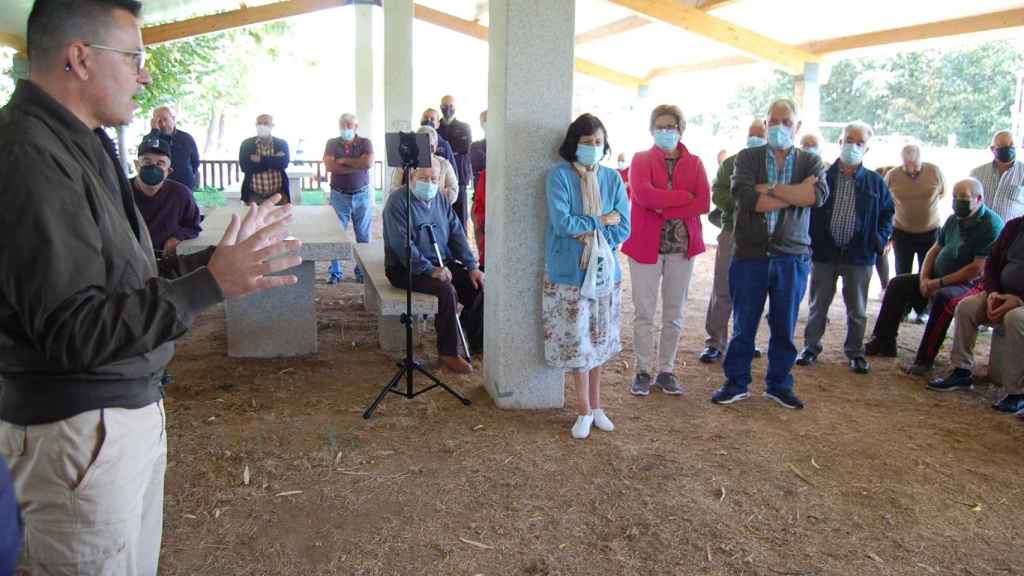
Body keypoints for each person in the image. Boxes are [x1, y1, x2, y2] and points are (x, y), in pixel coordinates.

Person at [0, 1, 302, 573]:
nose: (145, 74)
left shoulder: (82, 142)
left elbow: (120, 280)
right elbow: (72, 329)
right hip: (77, 434)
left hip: (114, 419)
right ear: (80, 59)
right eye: (135, 56)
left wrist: (217, 265)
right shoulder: (29, 155)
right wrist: (206, 286)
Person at [713, 99, 828, 410]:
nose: (779, 127)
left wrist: (771, 188)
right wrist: (793, 193)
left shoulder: (810, 162)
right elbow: (750, 200)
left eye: (786, 122)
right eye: (773, 121)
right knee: (743, 324)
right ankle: (736, 382)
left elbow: (815, 196)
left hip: (792, 257)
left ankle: (779, 385)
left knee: (784, 324)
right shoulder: (748, 158)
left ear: (797, 126)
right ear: (765, 125)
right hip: (750, 255)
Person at [544, 113, 630, 439]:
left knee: (600, 340)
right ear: (573, 144)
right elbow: (563, 222)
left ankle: (597, 406)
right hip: (569, 272)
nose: (593, 147)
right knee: (576, 341)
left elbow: (624, 224)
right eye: (586, 142)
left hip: (604, 271)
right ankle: (581, 409)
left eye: (598, 142)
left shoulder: (612, 179)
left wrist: (594, 227)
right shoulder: (559, 177)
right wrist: (601, 220)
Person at [865, 179, 1004, 375]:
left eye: (962, 199)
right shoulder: (953, 219)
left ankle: (925, 359)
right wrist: (924, 278)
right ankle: (884, 341)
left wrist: (938, 283)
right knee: (898, 284)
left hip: (970, 284)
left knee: (944, 297)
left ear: (979, 199)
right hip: (938, 277)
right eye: (954, 198)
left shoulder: (991, 224)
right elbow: (935, 249)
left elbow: (977, 268)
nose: (956, 202)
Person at [622, 105, 709, 397]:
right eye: (659, 126)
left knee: (674, 312)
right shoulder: (640, 159)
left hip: (681, 249)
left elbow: (703, 203)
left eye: (671, 126)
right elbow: (642, 195)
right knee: (643, 312)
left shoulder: (695, 162)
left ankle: (667, 370)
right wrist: (684, 197)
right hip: (645, 246)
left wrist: (665, 203)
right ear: (651, 129)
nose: (665, 131)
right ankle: (642, 371)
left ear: (681, 129)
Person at [797, 121, 894, 374]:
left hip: (859, 256)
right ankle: (810, 347)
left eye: (859, 142)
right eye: (848, 140)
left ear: (867, 148)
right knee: (818, 305)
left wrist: (878, 241)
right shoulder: (823, 176)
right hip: (824, 253)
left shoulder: (875, 183)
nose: (852, 146)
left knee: (858, 309)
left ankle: (855, 352)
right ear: (840, 143)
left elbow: (888, 215)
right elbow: (807, 210)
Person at [383, 157, 483, 374]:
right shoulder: (397, 202)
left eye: (434, 179)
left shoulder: (440, 199)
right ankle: (448, 352)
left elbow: (457, 232)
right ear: (412, 177)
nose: (429, 183)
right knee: (445, 292)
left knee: (477, 284)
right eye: (424, 178)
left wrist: (471, 265)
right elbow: (401, 245)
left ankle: (475, 340)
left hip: (441, 261)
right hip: (406, 268)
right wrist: (429, 270)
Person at [929, 214, 1024, 413]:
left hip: (1020, 302)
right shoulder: (1015, 225)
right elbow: (991, 263)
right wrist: (993, 292)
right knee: (966, 307)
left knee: (1015, 319)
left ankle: (1017, 392)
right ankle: (961, 371)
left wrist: (1018, 300)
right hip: (1001, 293)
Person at [700, 119, 766, 364]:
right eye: (752, 134)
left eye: (760, 134)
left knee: (753, 291)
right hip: (731, 231)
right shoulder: (731, 163)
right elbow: (718, 192)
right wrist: (747, 199)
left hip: (762, 236)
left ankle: (746, 341)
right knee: (723, 288)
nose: (755, 138)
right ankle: (716, 342)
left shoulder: (774, 165)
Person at [885, 144, 947, 320]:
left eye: (915, 166)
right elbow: (885, 199)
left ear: (921, 160)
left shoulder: (934, 171)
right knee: (902, 270)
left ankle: (921, 310)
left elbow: (942, 192)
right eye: (907, 166)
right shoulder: (893, 175)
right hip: (902, 230)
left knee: (925, 271)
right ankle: (902, 309)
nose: (911, 170)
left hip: (930, 231)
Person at [324, 112, 374, 284]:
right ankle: (335, 272)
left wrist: (343, 161)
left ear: (356, 127)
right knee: (335, 235)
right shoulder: (332, 143)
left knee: (363, 236)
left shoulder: (365, 143)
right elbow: (330, 166)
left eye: (349, 125)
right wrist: (356, 164)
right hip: (339, 195)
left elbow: (367, 164)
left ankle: (362, 272)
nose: (345, 128)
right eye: (342, 125)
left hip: (362, 195)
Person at [132, 134, 202, 256]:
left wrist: (177, 237)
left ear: (168, 171)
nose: (153, 167)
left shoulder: (181, 194)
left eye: (160, 163)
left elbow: (193, 227)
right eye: (147, 161)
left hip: (165, 258)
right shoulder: (120, 190)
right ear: (137, 165)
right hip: (130, 259)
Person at [391, 125, 458, 205]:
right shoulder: (405, 163)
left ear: (436, 145)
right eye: (422, 145)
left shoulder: (444, 164)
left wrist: (435, 193)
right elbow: (394, 188)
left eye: (430, 146)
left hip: (437, 208)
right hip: (409, 207)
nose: (426, 149)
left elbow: (454, 191)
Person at [970, 130, 1024, 222]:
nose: (1008, 148)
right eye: (1002, 145)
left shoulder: (1022, 173)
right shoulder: (976, 174)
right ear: (992, 149)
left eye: (1011, 145)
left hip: (1012, 233)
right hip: (981, 231)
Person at [437, 95, 473, 227]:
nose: (448, 109)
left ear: (456, 107)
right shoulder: (436, 129)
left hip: (460, 179)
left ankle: (460, 246)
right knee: (440, 218)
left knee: (460, 220)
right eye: (445, 106)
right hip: (438, 179)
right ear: (440, 107)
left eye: (451, 106)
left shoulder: (464, 127)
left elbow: (465, 149)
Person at [239, 113, 291, 205]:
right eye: (259, 123)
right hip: (254, 196)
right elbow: (245, 167)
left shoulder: (282, 143)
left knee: (280, 219)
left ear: (272, 126)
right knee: (253, 219)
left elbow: (283, 164)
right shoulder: (246, 144)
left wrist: (260, 159)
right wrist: (273, 161)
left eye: (266, 123)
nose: (262, 126)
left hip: (279, 195)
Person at [148, 105, 199, 190]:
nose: (163, 124)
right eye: (159, 121)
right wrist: (154, 132)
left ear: (173, 119)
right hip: (160, 188)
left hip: (185, 186)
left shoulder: (186, 138)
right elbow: (148, 153)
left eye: (165, 119)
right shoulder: (152, 138)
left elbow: (195, 162)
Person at [470, 109, 487, 190]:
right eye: (483, 121)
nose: (485, 123)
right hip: (480, 191)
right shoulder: (475, 146)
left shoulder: (503, 146)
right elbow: (478, 166)